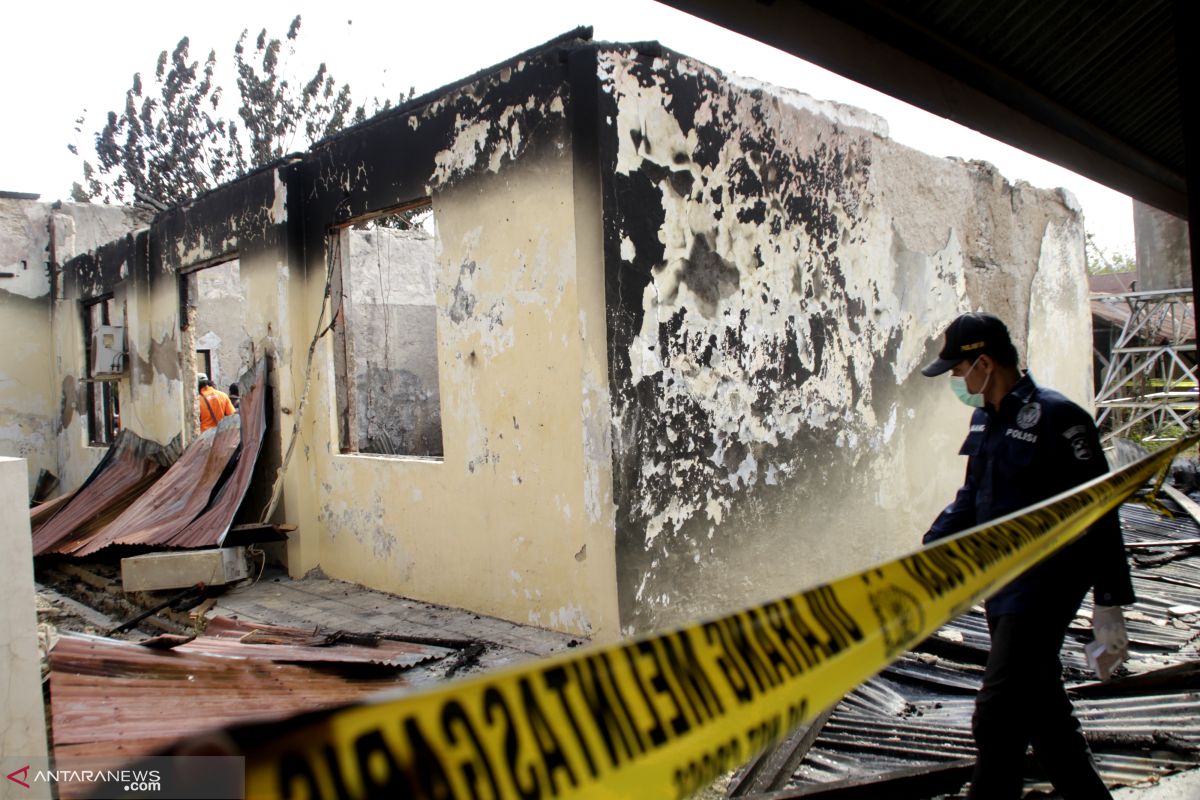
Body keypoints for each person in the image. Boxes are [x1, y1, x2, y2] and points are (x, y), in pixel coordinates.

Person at [921, 312, 1134, 799]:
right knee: (1042, 710)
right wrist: (927, 554)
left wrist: (1109, 599)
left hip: (1045, 587)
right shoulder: (985, 420)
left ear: (986, 364)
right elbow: (972, 498)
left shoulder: (1060, 418)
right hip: (1003, 587)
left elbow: (1101, 511)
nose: (959, 381)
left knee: (997, 714)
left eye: (960, 371)